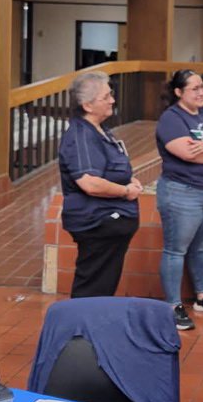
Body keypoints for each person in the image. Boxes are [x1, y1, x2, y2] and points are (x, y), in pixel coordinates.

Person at [155, 69, 203, 331]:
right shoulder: (171, 119)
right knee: (176, 250)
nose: (201, 92)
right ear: (179, 92)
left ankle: (202, 296)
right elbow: (189, 154)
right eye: (195, 88)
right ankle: (172, 305)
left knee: (200, 248)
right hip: (182, 192)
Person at [57, 72, 142, 298]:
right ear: (87, 105)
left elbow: (108, 170)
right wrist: (125, 191)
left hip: (110, 223)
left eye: (111, 94)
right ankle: (82, 322)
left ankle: (93, 319)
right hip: (96, 222)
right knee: (92, 288)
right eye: (106, 97)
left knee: (102, 285)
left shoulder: (100, 130)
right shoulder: (81, 135)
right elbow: (90, 183)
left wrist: (128, 179)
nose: (112, 100)